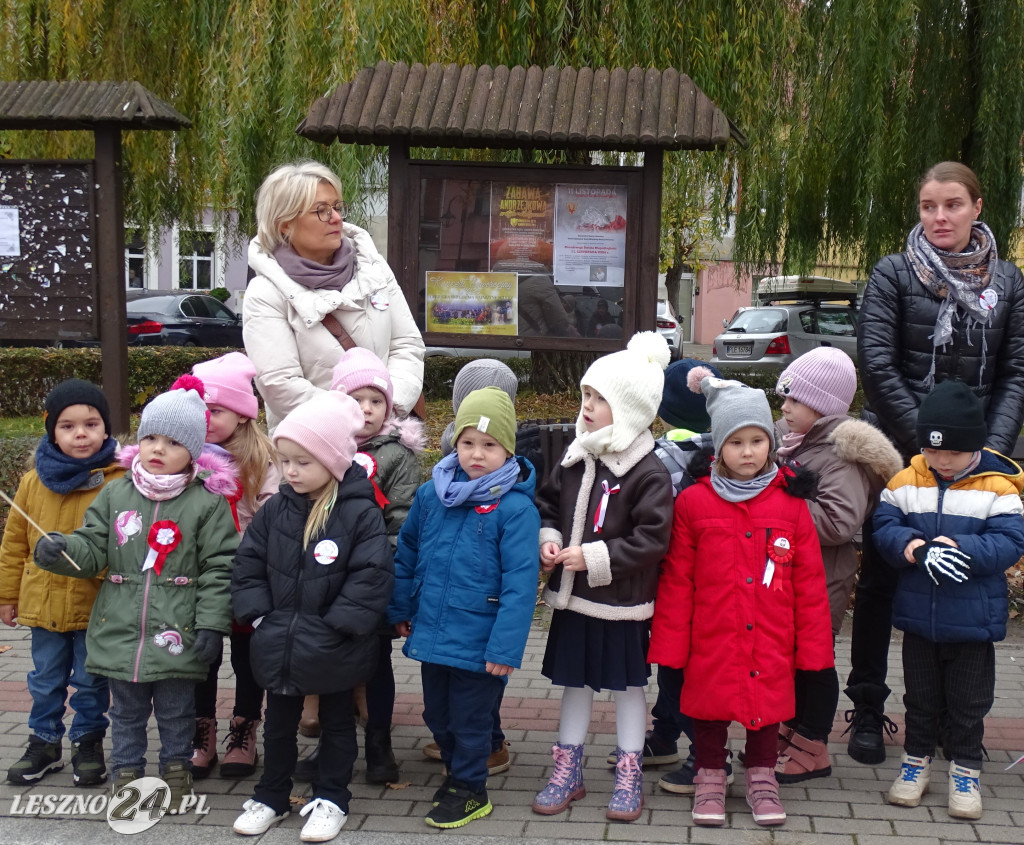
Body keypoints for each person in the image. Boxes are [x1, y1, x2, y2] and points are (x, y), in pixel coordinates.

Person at [848, 161, 1024, 763]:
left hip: (979, 461)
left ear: (977, 206)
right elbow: (875, 362)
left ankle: (954, 725)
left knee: (964, 578)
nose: (939, 217)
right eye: (928, 206)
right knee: (880, 579)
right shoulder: (895, 273)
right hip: (895, 453)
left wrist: (985, 451)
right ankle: (869, 707)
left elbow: (1015, 373)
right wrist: (927, 441)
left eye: (952, 204)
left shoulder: (1009, 280)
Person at [32, 377, 239, 810]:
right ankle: (127, 773)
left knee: (177, 712)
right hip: (121, 629)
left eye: (171, 442)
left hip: (177, 630)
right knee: (124, 712)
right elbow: (91, 547)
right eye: (150, 438)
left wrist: (211, 625)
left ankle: (175, 769)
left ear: (193, 451)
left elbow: (220, 568)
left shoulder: (207, 503)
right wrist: (62, 549)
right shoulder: (115, 493)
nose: (157, 449)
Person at [648, 376, 834, 828]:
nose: (748, 451)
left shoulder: (791, 507)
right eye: (736, 442)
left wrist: (815, 651)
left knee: (764, 710)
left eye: (757, 440)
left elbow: (809, 583)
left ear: (770, 444)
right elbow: (677, 580)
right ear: (718, 447)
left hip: (771, 635)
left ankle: (761, 775)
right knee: (709, 708)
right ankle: (710, 775)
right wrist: (671, 648)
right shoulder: (694, 503)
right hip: (712, 634)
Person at [230, 391, 393, 842]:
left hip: (334, 645)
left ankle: (331, 799)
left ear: (335, 460)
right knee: (279, 725)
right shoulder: (276, 509)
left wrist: (337, 627)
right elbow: (248, 564)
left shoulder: (360, 512)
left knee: (338, 724)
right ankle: (271, 796)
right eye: (286, 461)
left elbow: (372, 574)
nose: (291, 471)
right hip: (281, 640)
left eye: (303, 461)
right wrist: (261, 617)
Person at [532, 332, 673, 823]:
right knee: (575, 683)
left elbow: (652, 539)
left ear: (630, 409)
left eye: (600, 399)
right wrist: (548, 536)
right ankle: (567, 767)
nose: (587, 406)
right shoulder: (579, 454)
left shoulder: (647, 472)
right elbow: (548, 502)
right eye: (586, 395)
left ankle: (630, 771)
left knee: (627, 686)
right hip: (575, 601)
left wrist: (591, 557)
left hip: (621, 603)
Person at [388, 387, 540, 829]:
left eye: (490, 445)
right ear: (455, 442)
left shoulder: (514, 509)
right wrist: (401, 606)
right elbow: (408, 551)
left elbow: (520, 583)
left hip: (480, 638)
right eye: (469, 442)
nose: (477, 454)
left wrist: (505, 648)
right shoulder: (431, 496)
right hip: (432, 629)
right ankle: (457, 771)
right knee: (437, 713)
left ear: (508, 450)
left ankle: (471, 787)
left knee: (470, 719)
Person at [873, 379, 1024, 820]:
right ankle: (915, 765)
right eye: (932, 450)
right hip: (920, 619)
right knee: (919, 699)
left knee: (968, 704)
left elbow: (1009, 542)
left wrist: (958, 548)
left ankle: (965, 771)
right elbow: (883, 528)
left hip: (974, 622)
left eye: (952, 453)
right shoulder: (905, 480)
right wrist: (917, 548)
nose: (940, 460)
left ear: (974, 447)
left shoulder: (998, 488)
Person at [292, 347, 426, 786]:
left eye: (376, 401)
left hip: (372, 577)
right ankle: (335, 747)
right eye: (357, 400)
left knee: (375, 661)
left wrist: (371, 566)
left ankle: (380, 749)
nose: (367, 410)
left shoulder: (397, 455)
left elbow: (401, 520)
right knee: (334, 659)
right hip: (326, 575)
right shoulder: (325, 445)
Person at [772, 348, 903, 783]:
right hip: (795, 579)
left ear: (823, 405)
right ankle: (791, 733)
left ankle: (813, 746)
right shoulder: (801, 444)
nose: (784, 407)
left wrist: (776, 505)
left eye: (794, 400)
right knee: (793, 663)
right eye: (783, 398)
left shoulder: (841, 455)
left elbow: (838, 522)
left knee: (815, 664)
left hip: (822, 580)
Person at [1, 380, 125, 786]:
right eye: (68, 426)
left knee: (91, 681)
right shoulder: (33, 482)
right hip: (43, 603)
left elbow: (128, 541)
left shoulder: (118, 481)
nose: (81, 434)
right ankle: (44, 741)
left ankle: (87, 740)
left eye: (91, 424)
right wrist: (6, 594)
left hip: (97, 606)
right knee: (45, 678)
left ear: (106, 429)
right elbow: (15, 542)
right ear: (52, 431)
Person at [242, 160, 425, 433]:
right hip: (312, 452)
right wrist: (356, 418)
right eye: (321, 211)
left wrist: (385, 407)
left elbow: (406, 344)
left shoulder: (373, 268)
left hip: (385, 440)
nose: (337, 218)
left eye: (337, 207)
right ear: (284, 225)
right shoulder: (265, 293)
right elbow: (279, 383)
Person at [188, 352, 281, 780]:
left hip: (246, 574)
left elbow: (269, 520)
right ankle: (200, 727)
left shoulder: (262, 459)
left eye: (217, 410)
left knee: (247, 658)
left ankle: (244, 728)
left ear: (243, 415)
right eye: (201, 409)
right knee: (202, 657)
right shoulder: (183, 454)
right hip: (198, 578)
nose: (206, 418)